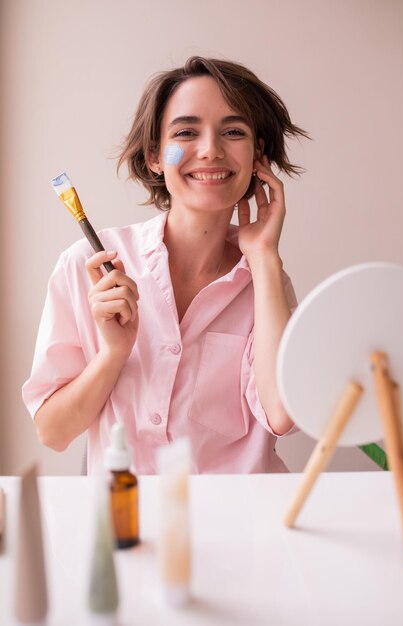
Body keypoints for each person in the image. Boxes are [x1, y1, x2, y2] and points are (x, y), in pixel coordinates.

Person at [22, 57, 309, 474]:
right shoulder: (89, 267)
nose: (210, 150)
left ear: (256, 156)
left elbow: (281, 414)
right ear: (156, 154)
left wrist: (264, 257)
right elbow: (53, 431)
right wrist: (113, 355)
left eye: (233, 132)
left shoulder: (267, 283)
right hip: (129, 527)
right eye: (186, 133)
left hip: (240, 525)